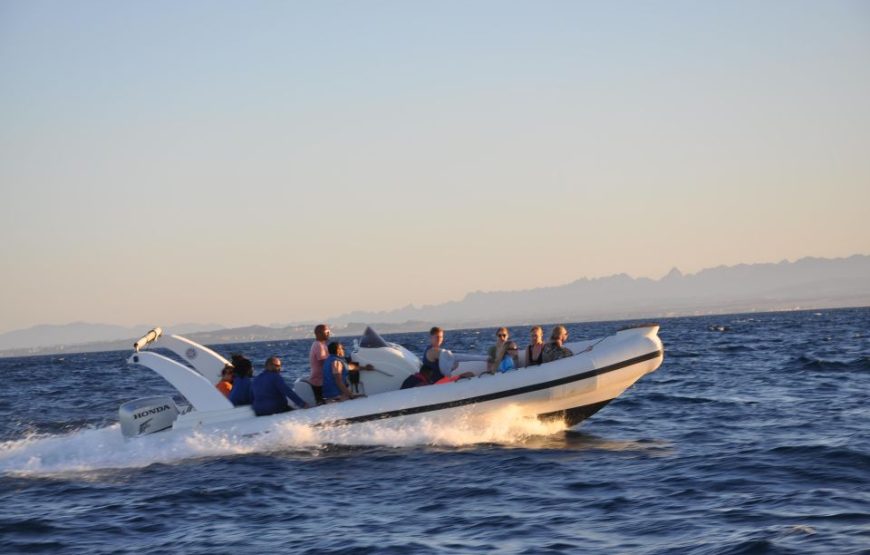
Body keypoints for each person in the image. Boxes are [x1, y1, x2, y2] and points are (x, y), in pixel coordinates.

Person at [308, 324, 331, 404]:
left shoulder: (321, 344)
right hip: (318, 381)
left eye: (329, 332)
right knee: (321, 404)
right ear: (319, 333)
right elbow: (326, 363)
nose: (329, 334)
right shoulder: (318, 345)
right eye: (327, 332)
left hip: (321, 380)